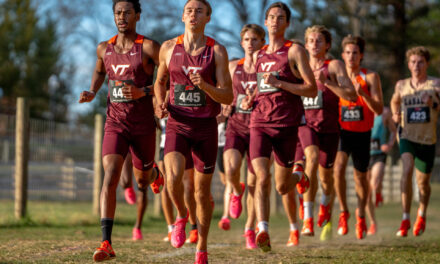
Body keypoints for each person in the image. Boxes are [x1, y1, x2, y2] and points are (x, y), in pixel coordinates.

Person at [78, 0, 163, 262]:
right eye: (117, 13)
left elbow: (168, 78)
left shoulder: (148, 47)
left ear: (138, 15)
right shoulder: (104, 48)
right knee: (111, 176)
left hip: (143, 125)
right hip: (115, 122)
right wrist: (92, 90)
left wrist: (144, 92)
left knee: (140, 181)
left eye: (127, 12)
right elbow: (99, 70)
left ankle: (153, 172)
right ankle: (106, 242)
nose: (122, 17)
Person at [154, 0, 233, 262]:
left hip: (205, 127)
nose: (193, 14)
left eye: (199, 11)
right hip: (177, 123)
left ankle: (202, 246)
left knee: (201, 192)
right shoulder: (168, 47)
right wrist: (160, 102)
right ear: (182, 16)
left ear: (208, 18)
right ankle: (180, 215)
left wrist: (206, 87)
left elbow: (228, 94)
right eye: (189, 10)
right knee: (172, 177)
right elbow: (160, 82)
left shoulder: (217, 51)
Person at [243, 2, 316, 252]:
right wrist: (250, 97)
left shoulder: (295, 51)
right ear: (265, 22)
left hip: (286, 124)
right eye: (271, 17)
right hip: (259, 123)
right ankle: (263, 229)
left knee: (282, 186)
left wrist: (281, 84)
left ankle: (299, 175)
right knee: (261, 176)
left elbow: (311, 88)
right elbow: (263, 88)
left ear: (287, 23)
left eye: (280, 17)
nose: (275, 20)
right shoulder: (259, 54)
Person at [298, 25, 356, 240]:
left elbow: (350, 95)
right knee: (310, 159)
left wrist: (328, 83)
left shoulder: (334, 66)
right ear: (305, 45)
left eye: (319, 41)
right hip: (305, 125)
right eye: (311, 40)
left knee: (326, 177)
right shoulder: (299, 67)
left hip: (330, 128)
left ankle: (325, 205)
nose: (314, 44)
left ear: (328, 45)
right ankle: (307, 217)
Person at [333, 35, 383, 240]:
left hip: (363, 133)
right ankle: (344, 211)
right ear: (343, 55)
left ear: (361, 55)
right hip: (342, 131)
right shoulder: (337, 76)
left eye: (355, 52)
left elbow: (379, 109)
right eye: (347, 52)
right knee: (338, 169)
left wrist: (363, 93)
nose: (351, 56)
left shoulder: (370, 77)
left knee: (361, 178)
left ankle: (361, 214)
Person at [221, 24, 266, 249]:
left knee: (254, 183)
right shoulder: (233, 66)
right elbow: (225, 92)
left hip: (259, 128)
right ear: (242, 43)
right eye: (247, 39)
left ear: (262, 43)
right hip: (236, 127)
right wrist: (225, 106)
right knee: (230, 170)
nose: (250, 43)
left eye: (255, 40)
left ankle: (249, 229)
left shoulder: (265, 66)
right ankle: (235, 191)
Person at [390, 46, 440, 237]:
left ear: (427, 64)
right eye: (413, 62)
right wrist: (395, 113)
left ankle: (421, 213)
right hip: (406, 136)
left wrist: (432, 103)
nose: (416, 66)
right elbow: (395, 100)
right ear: (408, 64)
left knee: (423, 185)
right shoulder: (401, 85)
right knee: (407, 168)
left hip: (427, 139)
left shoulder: (435, 84)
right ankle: (405, 218)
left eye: (420, 62)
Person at [365, 106, 396, 235]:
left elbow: (394, 131)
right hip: (364, 155)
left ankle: (378, 192)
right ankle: (372, 222)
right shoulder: (362, 109)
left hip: (379, 154)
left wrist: (389, 144)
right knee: (366, 194)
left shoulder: (385, 112)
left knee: (375, 183)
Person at [217, 110, 233, 231]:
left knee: (229, 181)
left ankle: (225, 216)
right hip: (217, 143)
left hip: (230, 142)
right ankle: (237, 186)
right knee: (224, 180)